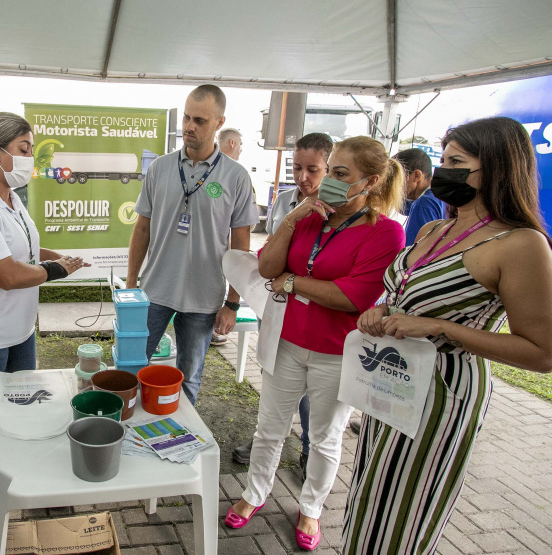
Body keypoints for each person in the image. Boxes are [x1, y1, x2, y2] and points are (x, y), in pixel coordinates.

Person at [344, 116, 552, 554]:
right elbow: (405, 292)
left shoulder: (521, 244)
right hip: (391, 383)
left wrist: (442, 328)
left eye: (457, 161)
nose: (443, 171)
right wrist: (384, 307)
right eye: (443, 160)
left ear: (496, 167)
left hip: (439, 397)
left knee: (397, 520)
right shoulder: (434, 229)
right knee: (367, 506)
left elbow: (541, 353)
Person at [225, 136, 405, 552]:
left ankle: (312, 507)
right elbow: (267, 268)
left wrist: (293, 282)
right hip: (286, 342)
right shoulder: (309, 217)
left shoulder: (386, 233)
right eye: (332, 172)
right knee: (269, 428)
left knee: (324, 437)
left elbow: (352, 297)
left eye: (339, 174)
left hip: (337, 352)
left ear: (371, 181)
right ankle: (255, 493)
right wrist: (294, 218)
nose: (324, 181)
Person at [0, 112, 88, 525]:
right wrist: (58, 271)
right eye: (24, 150)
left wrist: (56, 256)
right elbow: (5, 274)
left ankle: (16, 475)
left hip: (20, 330)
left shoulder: (10, 197)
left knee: (21, 406)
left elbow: (23, 250)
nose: (30, 160)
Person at [127, 84, 259, 405]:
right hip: (155, 290)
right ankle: (131, 430)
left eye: (199, 120)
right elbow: (141, 229)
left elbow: (240, 244)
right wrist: (130, 287)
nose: (189, 126)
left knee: (189, 376)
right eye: (187, 117)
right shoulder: (159, 168)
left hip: (203, 297)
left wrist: (233, 302)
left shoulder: (236, 177)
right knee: (131, 366)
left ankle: (179, 439)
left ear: (218, 122)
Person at [231, 132, 333, 469]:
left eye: (313, 170)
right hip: (276, 308)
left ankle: (307, 447)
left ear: (330, 168)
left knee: (312, 395)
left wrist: (289, 278)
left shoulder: (341, 211)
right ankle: (266, 438)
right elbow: (270, 254)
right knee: (274, 379)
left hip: (316, 320)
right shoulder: (285, 200)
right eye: (297, 167)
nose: (303, 177)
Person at [211, 127, 246, 346]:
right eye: (241, 145)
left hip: (213, 278)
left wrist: (232, 302)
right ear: (232, 143)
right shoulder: (225, 173)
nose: (241, 150)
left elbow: (240, 237)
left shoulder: (237, 175)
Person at [395, 147, 445, 246]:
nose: (394, 185)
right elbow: (405, 208)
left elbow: (413, 249)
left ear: (416, 176)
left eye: (397, 179)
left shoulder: (423, 204)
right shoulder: (438, 196)